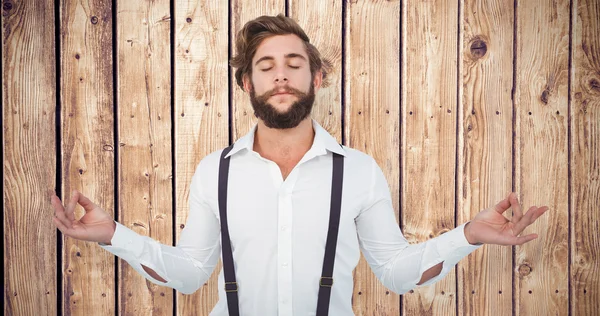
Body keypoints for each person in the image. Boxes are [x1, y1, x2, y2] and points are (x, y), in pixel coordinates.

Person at [51, 14, 549, 316]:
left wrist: (470, 234)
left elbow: (397, 273)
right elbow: (189, 275)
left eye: (294, 64)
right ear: (247, 83)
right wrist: (112, 233)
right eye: (265, 67)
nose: (281, 77)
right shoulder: (215, 171)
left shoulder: (357, 171)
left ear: (316, 77)